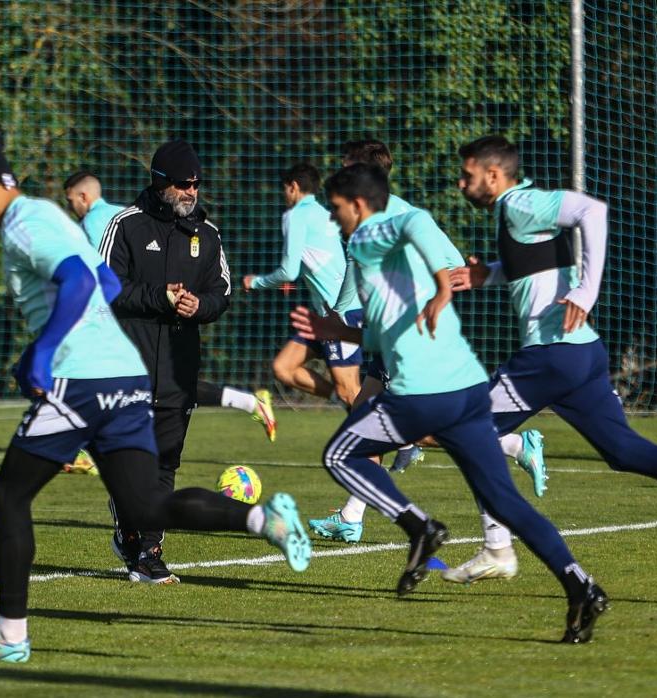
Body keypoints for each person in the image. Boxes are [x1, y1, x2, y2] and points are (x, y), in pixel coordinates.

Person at [0, 120, 310, 663]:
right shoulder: (64, 218)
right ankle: (263, 519)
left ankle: (10, 633)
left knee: (9, 494)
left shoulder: (23, 222)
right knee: (147, 503)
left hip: (81, 379)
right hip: (125, 373)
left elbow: (83, 281)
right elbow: (110, 283)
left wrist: (41, 353)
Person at [293, 163, 607, 643]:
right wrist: (340, 332)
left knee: (340, 453)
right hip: (463, 389)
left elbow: (415, 222)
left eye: (335, 210)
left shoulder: (376, 234)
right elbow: (385, 328)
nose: (333, 220)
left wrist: (443, 285)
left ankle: (419, 526)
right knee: (504, 499)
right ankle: (580, 586)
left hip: (422, 392)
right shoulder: (374, 245)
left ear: (357, 205)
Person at [444, 135, 657, 586]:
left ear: (493, 175)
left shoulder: (519, 204)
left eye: (468, 175)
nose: (461, 184)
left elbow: (593, 211)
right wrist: (488, 274)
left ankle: (498, 548)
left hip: (550, 355)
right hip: (581, 355)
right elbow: (538, 266)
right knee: (624, 451)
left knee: (466, 431)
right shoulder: (513, 213)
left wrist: (587, 291)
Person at [307, 140, 547, 545]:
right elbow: (360, 273)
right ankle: (351, 516)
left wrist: (418, 299)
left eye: (346, 168)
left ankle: (512, 446)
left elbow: (453, 266)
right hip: (389, 337)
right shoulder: (369, 218)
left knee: (384, 423)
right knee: (366, 416)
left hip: (405, 339)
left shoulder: (398, 215)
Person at [97, 139, 275, 584]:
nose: (190, 191)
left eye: (195, 184)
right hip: (126, 366)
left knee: (165, 464)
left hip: (178, 370)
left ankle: (149, 552)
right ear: (159, 183)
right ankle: (132, 530)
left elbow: (223, 292)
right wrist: (160, 297)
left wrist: (202, 306)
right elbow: (105, 287)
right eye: (181, 184)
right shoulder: (126, 225)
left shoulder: (208, 234)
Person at [242, 162, 362, 408]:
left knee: (351, 392)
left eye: (285, 190)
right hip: (327, 316)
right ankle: (344, 404)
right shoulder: (325, 214)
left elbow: (289, 271)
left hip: (339, 315)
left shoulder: (295, 215)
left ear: (293, 187)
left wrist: (256, 282)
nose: (285, 196)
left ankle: (408, 443)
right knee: (283, 368)